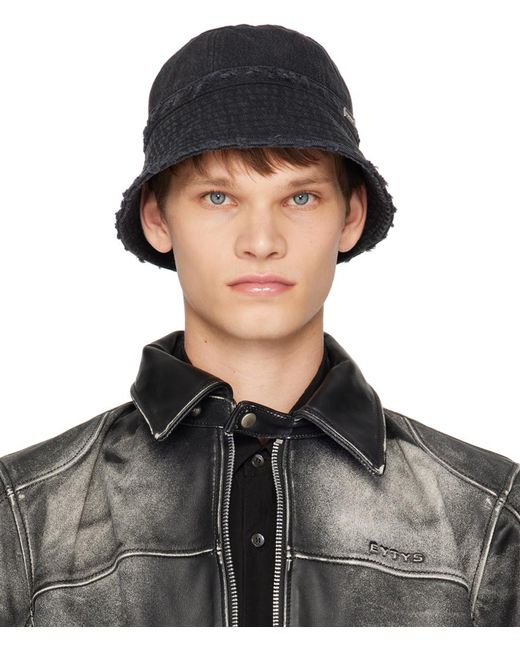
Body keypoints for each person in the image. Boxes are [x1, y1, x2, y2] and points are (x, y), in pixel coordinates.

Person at [0, 23, 518, 628]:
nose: (262, 241)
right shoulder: (26, 515)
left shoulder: (484, 519)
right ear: (158, 219)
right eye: (218, 197)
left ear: (350, 216)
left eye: (300, 198)